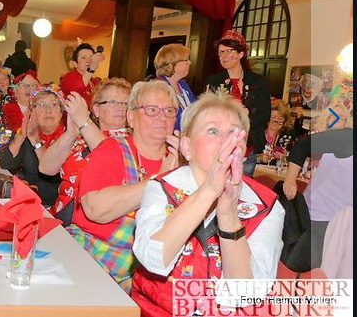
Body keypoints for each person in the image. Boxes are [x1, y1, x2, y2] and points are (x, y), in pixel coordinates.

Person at [130, 91, 285, 317]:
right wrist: (209, 190)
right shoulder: (163, 187)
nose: (226, 140)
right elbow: (152, 258)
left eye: (234, 132)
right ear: (186, 147)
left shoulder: (266, 205)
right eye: (213, 131)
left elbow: (246, 294)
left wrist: (229, 216)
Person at [68, 80, 180, 291]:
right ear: (131, 117)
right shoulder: (112, 149)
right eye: (151, 110)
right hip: (92, 257)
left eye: (169, 111)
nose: (162, 117)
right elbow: (95, 209)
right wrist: (158, 181)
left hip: (149, 273)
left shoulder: (184, 161)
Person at [40, 78, 132, 225]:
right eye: (113, 102)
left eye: (125, 103)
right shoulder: (81, 138)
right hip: (59, 217)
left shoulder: (131, 142)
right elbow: (46, 168)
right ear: (96, 109)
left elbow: (110, 158)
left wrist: (83, 120)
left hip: (93, 226)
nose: (121, 107)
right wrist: (70, 134)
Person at [283, 128, 353, 269]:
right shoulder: (347, 138)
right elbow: (303, 144)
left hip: (344, 224)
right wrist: (290, 179)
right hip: (319, 216)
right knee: (297, 267)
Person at [205, 30, 271, 178]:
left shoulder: (257, 81)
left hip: (249, 144)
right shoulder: (214, 81)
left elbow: (264, 114)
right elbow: (207, 113)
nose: (223, 56)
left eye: (228, 52)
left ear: (241, 54)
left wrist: (246, 114)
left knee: (243, 183)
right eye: (220, 52)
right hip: (220, 144)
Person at [0, 84, 65, 206]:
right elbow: (5, 163)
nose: (48, 110)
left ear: (61, 112)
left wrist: (35, 140)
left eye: (54, 105)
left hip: (51, 206)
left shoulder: (69, 139)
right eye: (42, 105)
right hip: (26, 200)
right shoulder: (30, 133)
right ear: (32, 112)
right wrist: (21, 136)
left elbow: (54, 175)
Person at [153, 43, 196, 131]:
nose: (189, 62)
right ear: (172, 64)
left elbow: (196, 110)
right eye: (186, 60)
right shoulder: (158, 88)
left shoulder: (183, 85)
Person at [258, 99, 296, 164]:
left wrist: (286, 157)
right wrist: (259, 157)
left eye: (280, 118)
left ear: (285, 120)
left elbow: (294, 156)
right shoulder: (257, 132)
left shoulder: (289, 134)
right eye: (272, 117)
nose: (276, 121)